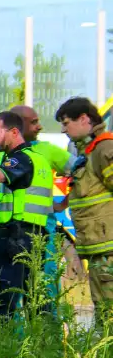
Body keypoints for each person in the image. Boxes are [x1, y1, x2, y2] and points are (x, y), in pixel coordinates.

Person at [0, 105, 75, 304]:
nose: (39, 126)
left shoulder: (30, 155)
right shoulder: (23, 157)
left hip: (30, 237)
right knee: (22, 299)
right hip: (13, 236)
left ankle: (31, 334)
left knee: (27, 300)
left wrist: (62, 203)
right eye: (33, 121)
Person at [0, 111, 55, 318]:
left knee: (0, 302)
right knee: (37, 300)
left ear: (13, 132)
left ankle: (0, 348)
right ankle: (47, 347)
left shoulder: (21, 160)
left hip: (18, 238)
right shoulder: (36, 159)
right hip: (33, 237)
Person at [56, 97, 113, 324]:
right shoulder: (87, 153)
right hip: (97, 248)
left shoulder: (104, 149)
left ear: (84, 119)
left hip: (109, 249)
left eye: (66, 122)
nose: (63, 129)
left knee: (109, 313)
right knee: (103, 313)